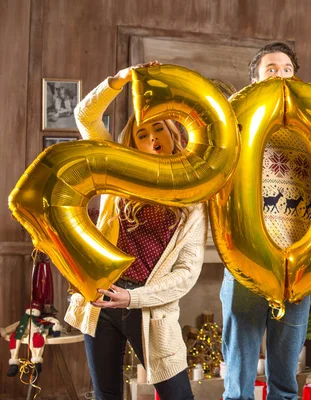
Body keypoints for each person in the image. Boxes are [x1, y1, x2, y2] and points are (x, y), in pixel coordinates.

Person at [64, 63, 207, 400]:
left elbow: (187, 273)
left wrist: (133, 297)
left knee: (178, 396)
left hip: (150, 310)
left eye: (158, 129)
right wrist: (120, 79)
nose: (152, 138)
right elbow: (85, 116)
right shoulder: (118, 172)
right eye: (142, 134)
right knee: (106, 395)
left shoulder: (192, 198)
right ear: (134, 143)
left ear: (173, 134)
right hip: (101, 300)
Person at [220, 42, 311, 400]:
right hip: (246, 260)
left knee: (286, 371)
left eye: (287, 69)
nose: (280, 75)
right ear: (255, 79)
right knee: (239, 371)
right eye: (271, 69)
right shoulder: (236, 124)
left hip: (296, 264)